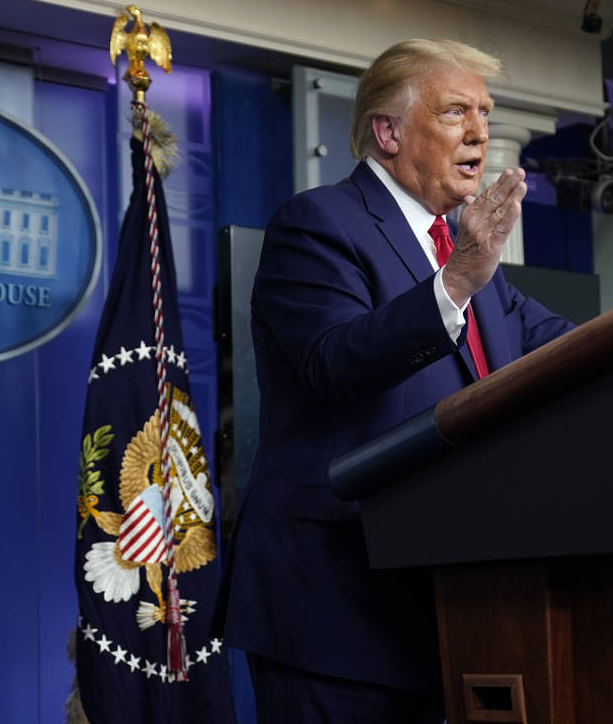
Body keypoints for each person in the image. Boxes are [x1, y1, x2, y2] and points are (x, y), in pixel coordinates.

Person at [217, 39, 574, 723]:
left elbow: (569, 348)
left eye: (485, 115)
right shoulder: (319, 223)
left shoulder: (468, 264)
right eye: (454, 113)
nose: (479, 133)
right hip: (333, 610)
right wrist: (458, 280)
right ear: (387, 132)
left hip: (441, 606)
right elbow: (333, 364)